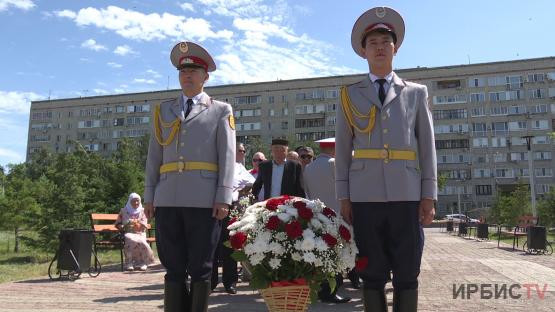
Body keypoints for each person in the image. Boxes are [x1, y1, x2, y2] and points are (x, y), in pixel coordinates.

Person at [335, 7, 437, 312]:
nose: (380, 47)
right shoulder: (348, 95)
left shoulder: (416, 93)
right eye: (374, 43)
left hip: (406, 193)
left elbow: (428, 146)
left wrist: (428, 194)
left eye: (386, 41)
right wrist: (344, 196)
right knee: (371, 272)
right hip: (365, 196)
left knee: (407, 271)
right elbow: (342, 150)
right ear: (363, 51)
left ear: (396, 48)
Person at [144, 41, 236, 312]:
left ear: (205, 76)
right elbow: (154, 156)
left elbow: (227, 156)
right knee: (172, 266)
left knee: (201, 267)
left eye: (194, 70)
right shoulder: (164, 110)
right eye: (183, 71)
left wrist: (223, 196)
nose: (187, 75)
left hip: (204, 199)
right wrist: (150, 195)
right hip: (167, 197)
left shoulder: (220, 110)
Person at [303, 138, 351, 304]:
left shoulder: (309, 167)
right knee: (336, 255)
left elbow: (308, 193)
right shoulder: (334, 164)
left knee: (322, 254)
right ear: (334, 149)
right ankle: (332, 290)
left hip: (317, 216)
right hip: (337, 215)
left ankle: (322, 290)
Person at [212, 143, 254, 294]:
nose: (242, 153)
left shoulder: (239, 167)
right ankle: (210, 282)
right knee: (212, 246)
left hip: (232, 207)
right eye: (239, 151)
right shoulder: (216, 162)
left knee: (230, 246)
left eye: (244, 150)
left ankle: (230, 282)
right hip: (214, 207)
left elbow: (251, 182)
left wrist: (241, 188)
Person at [115, 193, 155, 271]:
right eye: (134, 201)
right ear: (130, 201)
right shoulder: (123, 210)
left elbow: (144, 223)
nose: (136, 203)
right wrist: (123, 226)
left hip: (140, 232)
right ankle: (129, 262)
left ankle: (143, 262)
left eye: (137, 201)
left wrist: (138, 225)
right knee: (130, 239)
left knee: (142, 242)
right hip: (128, 232)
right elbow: (118, 223)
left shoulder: (143, 211)